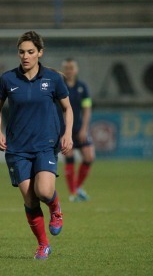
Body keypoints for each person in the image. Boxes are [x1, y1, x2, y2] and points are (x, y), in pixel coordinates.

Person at [0, 31, 73, 259]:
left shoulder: (53, 79)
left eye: (30, 52)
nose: (25, 56)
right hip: (17, 148)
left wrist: (68, 134)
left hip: (46, 144)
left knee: (44, 191)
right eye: (21, 52)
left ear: (40, 53)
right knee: (29, 198)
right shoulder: (8, 79)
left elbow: (68, 108)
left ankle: (56, 210)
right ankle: (43, 245)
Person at [61, 58, 95, 202]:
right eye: (67, 68)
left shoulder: (82, 87)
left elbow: (87, 109)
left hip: (79, 128)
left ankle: (77, 187)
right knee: (69, 157)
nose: (69, 70)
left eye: (71, 67)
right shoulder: (60, 86)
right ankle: (73, 193)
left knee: (89, 157)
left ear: (76, 70)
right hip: (64, 129)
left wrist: (84, 129)